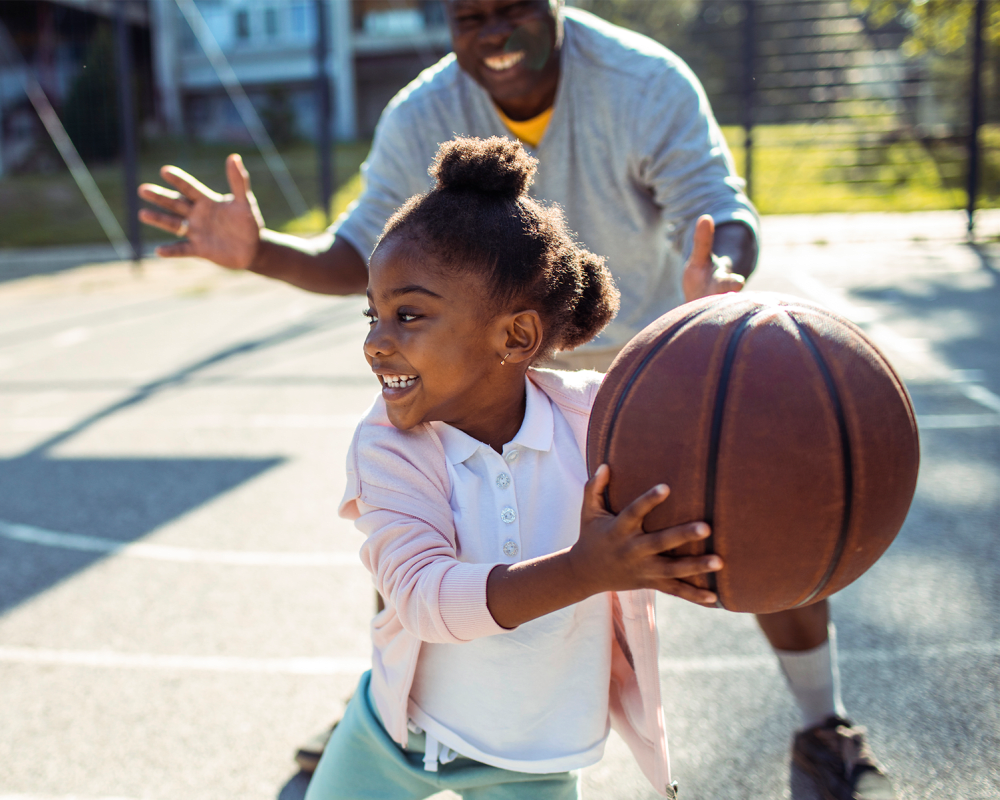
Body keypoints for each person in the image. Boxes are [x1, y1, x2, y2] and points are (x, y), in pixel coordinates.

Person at [137, 3, 895, 798]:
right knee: (424, 530)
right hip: (464, 362)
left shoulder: (643, 82)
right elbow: (360, 250)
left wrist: (722, 280)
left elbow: (716, 204)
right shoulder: (423, 111)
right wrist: (261, 251)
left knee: (751, 508)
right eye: (470, 16)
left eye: (510, 10)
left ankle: (822, 726)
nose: (491, 33)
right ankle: (413, 701)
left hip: (639, 365)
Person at [312, 134, 720, 800]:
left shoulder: (595, 422)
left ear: (517, 336)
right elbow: (420, 597)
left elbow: (698, 428)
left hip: (536, 755)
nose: (376, 343)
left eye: (407, 315)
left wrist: (710, 327)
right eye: (374, 315)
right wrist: (584, 570)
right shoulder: (388, 443)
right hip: (397, 733)